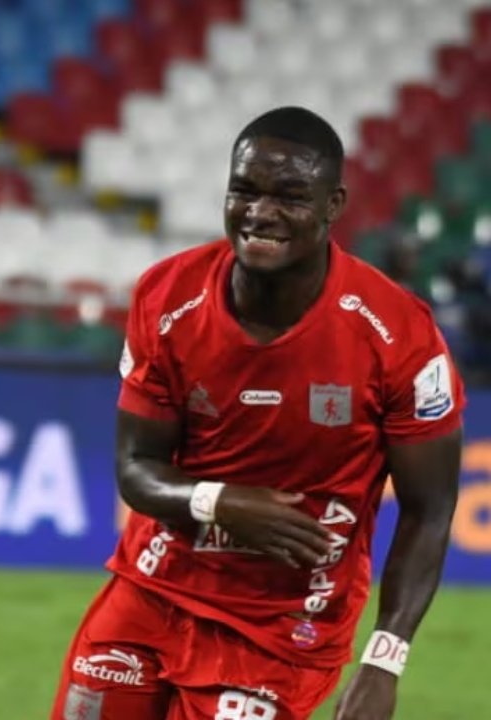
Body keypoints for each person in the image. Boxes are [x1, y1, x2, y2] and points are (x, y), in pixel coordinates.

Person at [51, 106, 465, 720]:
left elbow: (430, 510)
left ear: (334, 206)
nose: (260, 212)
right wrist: (222, 502)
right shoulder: (167, 297)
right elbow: (135, 468)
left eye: (290, 196)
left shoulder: (398, 334)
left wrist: (383, 662)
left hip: (284, 628)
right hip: (151, 593)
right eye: (244, 190)